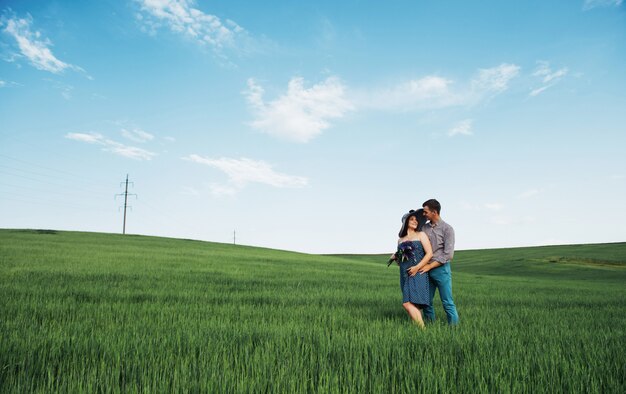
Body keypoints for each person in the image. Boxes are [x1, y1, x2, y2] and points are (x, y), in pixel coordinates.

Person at [415, 199, 459, 325]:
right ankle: (430, 327)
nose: (424, 214)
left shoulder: (447, 229)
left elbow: (448, 254)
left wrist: (430, 266)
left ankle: (454, 330)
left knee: (447, 302)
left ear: (434, 212)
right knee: (426, 302)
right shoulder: (424, 228)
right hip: (425, 269)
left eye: (426, 212)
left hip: (441, 269)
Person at [391, 209, 433, 328]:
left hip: (418, 271)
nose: (415, 221)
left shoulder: (421, 235)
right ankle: (418, 330)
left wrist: (417, 267)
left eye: (416, 219)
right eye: (412, 219)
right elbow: (400, 262)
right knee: (413, 304)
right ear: (405, 221)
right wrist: (395, 257)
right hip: (404, 273)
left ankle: (423, 330)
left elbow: (429, 253)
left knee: (407, 303)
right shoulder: (400, 240)